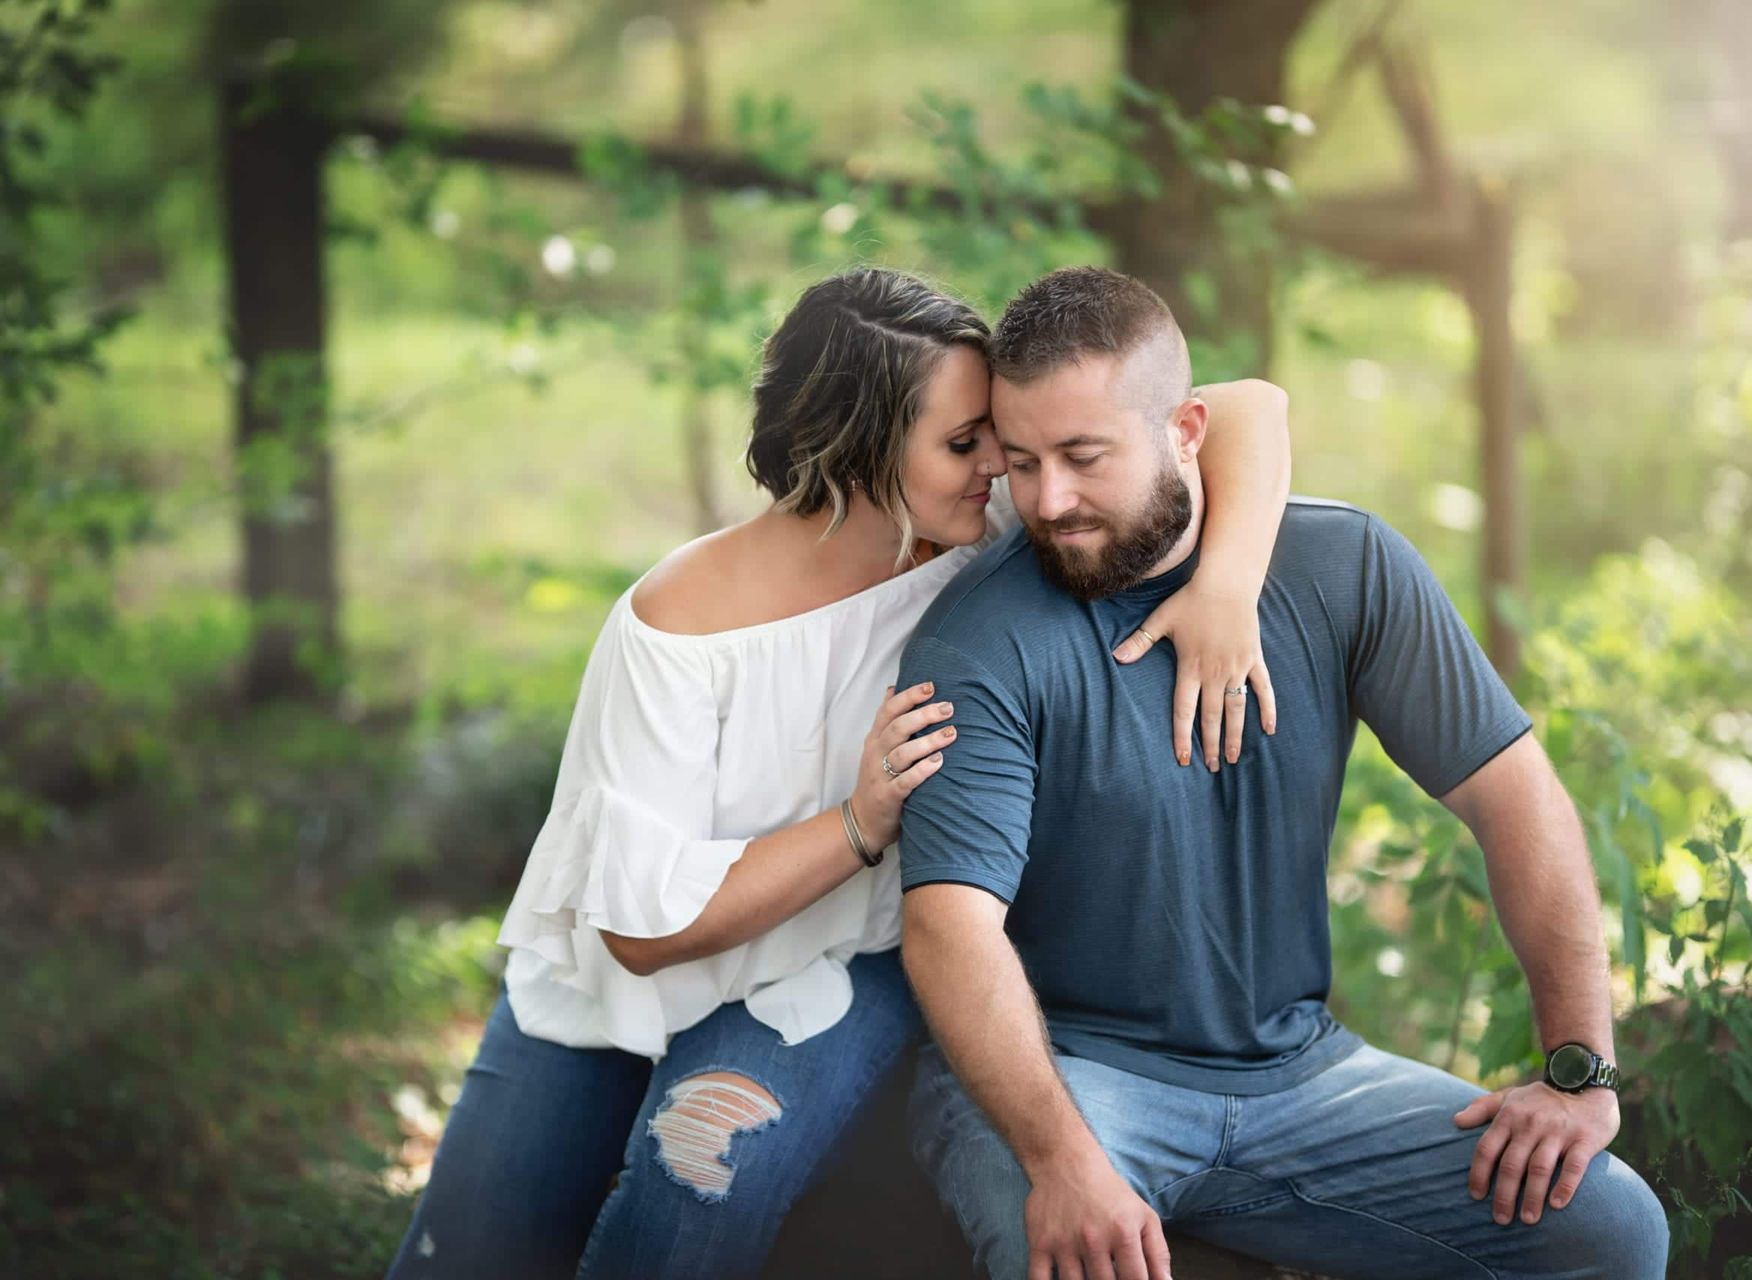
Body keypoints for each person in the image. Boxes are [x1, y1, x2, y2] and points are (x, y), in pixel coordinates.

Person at [384, 265, 1296, 1280]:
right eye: (965, 441)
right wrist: (860, 820)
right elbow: (639, 934)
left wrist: (1227, 587)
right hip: (605, 989)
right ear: (859, 453)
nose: (1007, 463)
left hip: (834, 968)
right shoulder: (675, 627)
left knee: (697, 1170)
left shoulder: (984, 533)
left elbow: (1250, 409)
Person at [894, 265, 1670, 1280]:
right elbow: (949, 923)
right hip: (1074, 1078)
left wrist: (1578, 1069)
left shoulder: (1340, 565)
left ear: (1186, 429)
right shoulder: (982, 635)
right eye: (1025, 460)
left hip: (1303, 1080)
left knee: (1612, 1232)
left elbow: (1515, 798)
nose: (1049, 499)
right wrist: (1062, 1159)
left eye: (1084, 457)